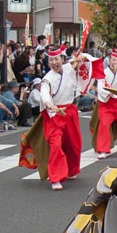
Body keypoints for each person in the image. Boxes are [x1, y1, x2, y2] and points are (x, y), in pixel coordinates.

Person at [39, 44, 85, 191]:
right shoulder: (47, 79)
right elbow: (44, 94)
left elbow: (78, 61)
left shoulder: (68, 68)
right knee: (56, 146)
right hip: (55, 115)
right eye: (51, 60)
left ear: (62, 59)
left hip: (69, 111)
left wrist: (81, 58)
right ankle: (56, 178)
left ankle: (71, 170)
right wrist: (49, 105)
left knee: (73, 144)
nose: (54, 62)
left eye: (57, 59)